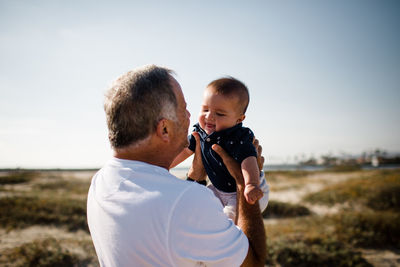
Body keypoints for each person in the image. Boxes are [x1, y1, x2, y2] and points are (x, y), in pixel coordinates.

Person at [87, 65, 266, 267]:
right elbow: (253, 263)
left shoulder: (100, 181)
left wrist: (194, 177)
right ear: (164, 128)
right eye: (183, 109)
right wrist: (243, 185)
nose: (192, 116)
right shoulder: (188, 202)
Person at [170, 77, 265, 220]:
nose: (209, 117)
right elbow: (184, 151)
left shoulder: (238, 136)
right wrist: (164, 166)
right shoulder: (200, 133)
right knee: (200, 207)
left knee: (229, 217)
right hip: (217, 188)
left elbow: (249, 160)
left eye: (219, 114)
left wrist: (251, 184)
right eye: (205, 109)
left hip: (243, 189)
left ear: (239, 119)